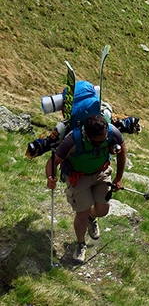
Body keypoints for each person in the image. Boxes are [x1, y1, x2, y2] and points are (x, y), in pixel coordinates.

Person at [46, 113, 126, 264]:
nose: (100, 144)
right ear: (85, 134)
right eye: (96, 142)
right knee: (81, 213)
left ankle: (92, 218)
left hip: (101, 172)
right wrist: (51, 177)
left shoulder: (112, 132)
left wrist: (119, 177)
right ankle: (81, 244)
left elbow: (122, 150)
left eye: (102, 141)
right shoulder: (72, 140)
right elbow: (53, 161)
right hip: (78, 177)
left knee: (103, 210)